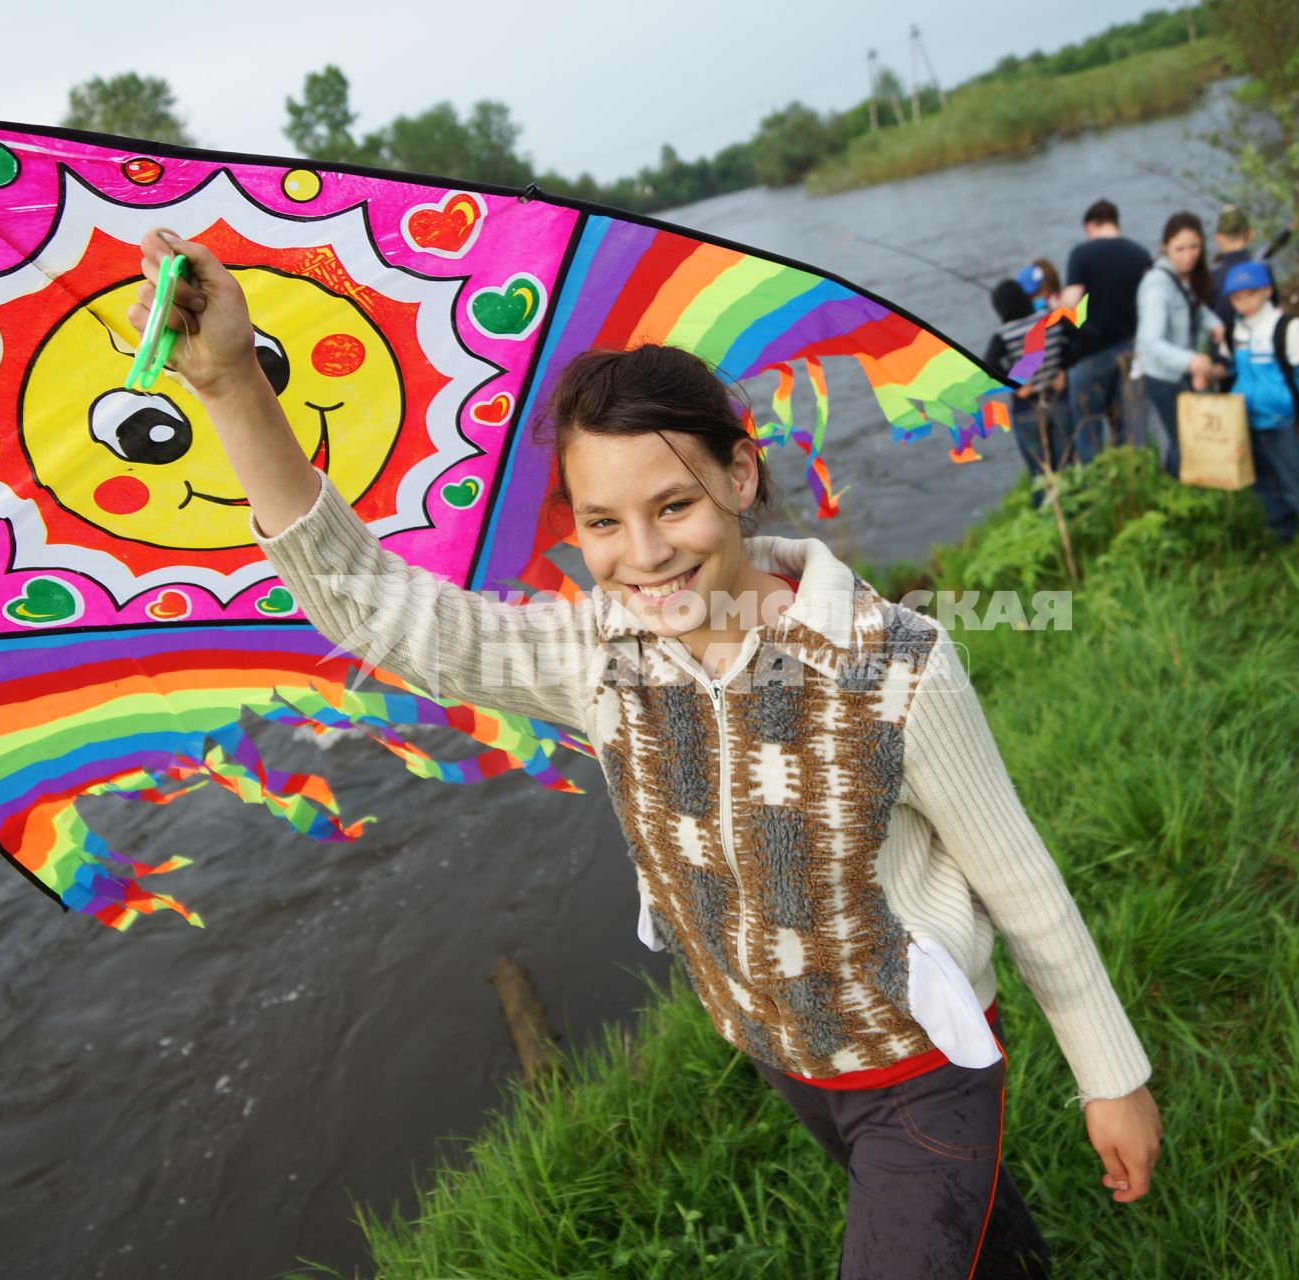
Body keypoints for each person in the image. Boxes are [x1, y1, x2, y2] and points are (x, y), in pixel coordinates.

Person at [129, 226, 1161, 1280]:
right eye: (603, 521)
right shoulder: (596, 657)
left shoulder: (898, 664)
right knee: (957, 1233)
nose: (645, 553)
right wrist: (231, 392)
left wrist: (1109, 1076)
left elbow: (1020, 880)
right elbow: (384, 612)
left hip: (920, 1067)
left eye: (672, 504)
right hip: (781, 1053)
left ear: (740, 472)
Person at [1222, 260, 1299, 542]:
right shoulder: (1235, 331)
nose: (1244, 303)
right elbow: (1227, 368)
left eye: (1250, 294)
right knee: (1262, 483)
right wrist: (1202, 370)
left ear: (1267, 290)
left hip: (1285, 423)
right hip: (1246, 422)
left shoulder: (1287, 327)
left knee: (1296, 484)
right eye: (1236, 298)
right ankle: (1283, 532)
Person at [1134, 211, 1227, 481]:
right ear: (1166, 247)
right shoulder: (1157, 287)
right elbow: (1149, 342)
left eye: (1194, 247)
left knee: (1190, 435)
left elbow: (1193, 307)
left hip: (1182, 368)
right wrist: (1190, 361)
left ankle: (1186, 484)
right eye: (1180, 248)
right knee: (1183, 439)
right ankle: (1177, 485)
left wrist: (1215, 324)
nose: (1189, 255)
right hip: (1164, 374)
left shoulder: (1185, 277)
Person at [1057, 200, 1152, 463]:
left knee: (1088, 425)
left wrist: (1055, 304)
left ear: (1090, 225)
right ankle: (1139, 477)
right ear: (1115, 221)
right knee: (1134, 423)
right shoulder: (1140, 253)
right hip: (1135, 349)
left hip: (1093, 353)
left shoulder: (1082, 253)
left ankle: (1097, 481)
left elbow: (1070, 305)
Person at [982, 274, 1074, 507]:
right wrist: (1063, 369)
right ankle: (1074, 507)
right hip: (1059, 398)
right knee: (1067, 463)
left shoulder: (1003, 334)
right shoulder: (1050, 319)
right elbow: (1082, 341)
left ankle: (1046, 515)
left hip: (1027, 409)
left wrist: (1014, 385)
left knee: (1038, 471)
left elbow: (988, 366)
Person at [1208, 204, 1279, 334]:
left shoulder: (1212, 276)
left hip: (1223, 348)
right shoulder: (1263, 269)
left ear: (1218, 238)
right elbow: (1274, 308)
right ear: (1250, 234)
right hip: (1264, 345)